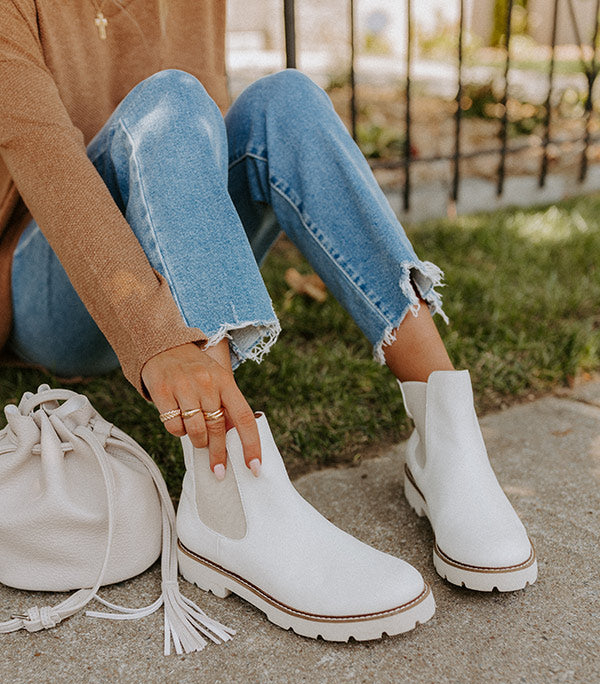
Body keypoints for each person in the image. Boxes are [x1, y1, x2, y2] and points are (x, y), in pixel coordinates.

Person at [0, 0, 536, 644]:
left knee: (286, 97)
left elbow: (202, 143)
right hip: (53, 285)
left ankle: (444, 434)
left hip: (165, 245)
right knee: (169, 97)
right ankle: (227, 495)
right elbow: (48, 165)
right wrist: (155, 335)